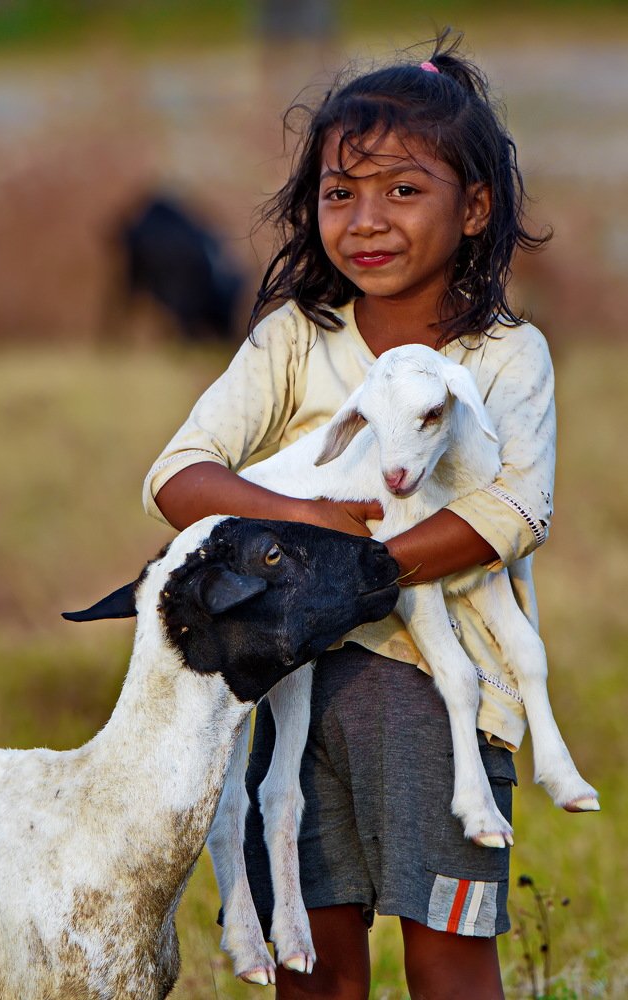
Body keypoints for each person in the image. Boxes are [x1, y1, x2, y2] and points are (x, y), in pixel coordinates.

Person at [143, 30, 555, 1000]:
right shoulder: (293, 340)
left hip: (432, 697)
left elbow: (510, 510)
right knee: (312, 953)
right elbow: (179, 472)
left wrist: (361, 569)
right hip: (286, 681)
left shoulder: (503, 355)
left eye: (402, 191)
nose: (365, 219)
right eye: (340, 192)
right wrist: (300, 522)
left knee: (444, 947)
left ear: (474, 209)